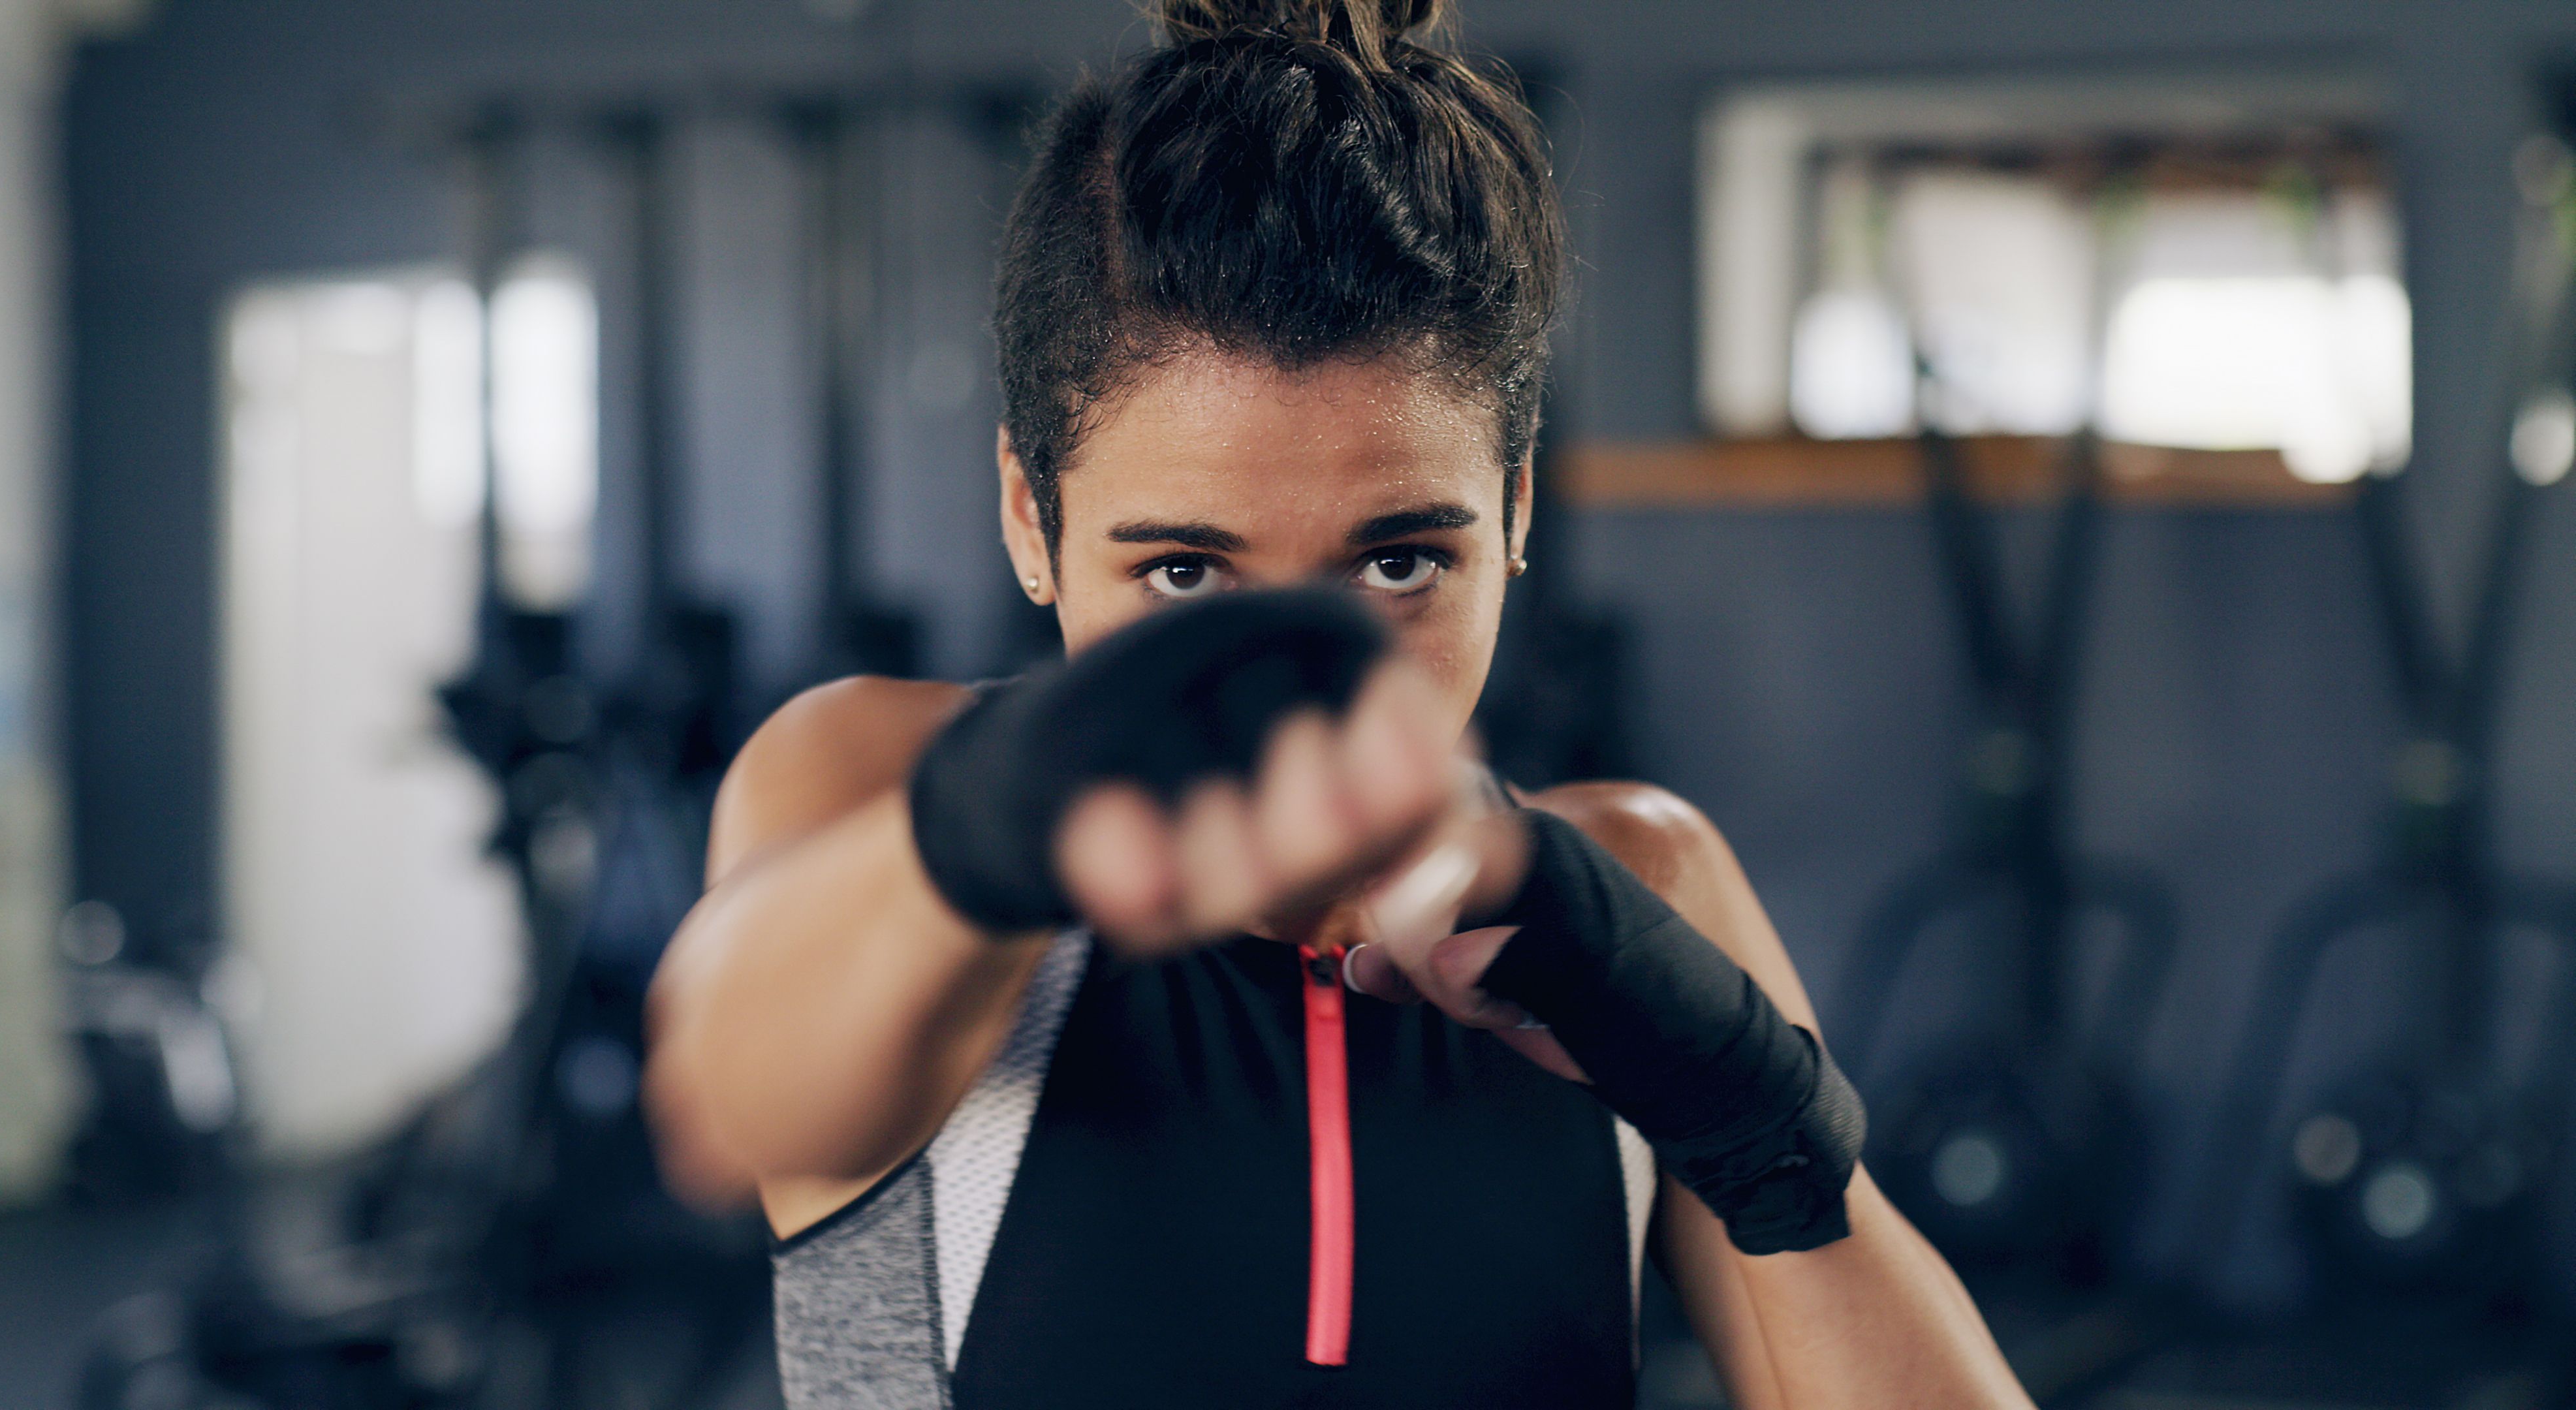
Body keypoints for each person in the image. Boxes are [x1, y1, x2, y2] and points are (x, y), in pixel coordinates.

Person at [646, 1, 2032, 1404]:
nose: (1299, 697)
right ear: (1027, 514)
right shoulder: (872, 782)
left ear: (1515, 511)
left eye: (1399, 561)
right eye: (1183, 574)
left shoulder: (1639, 880)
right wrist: (996, 813)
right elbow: (733, 1094)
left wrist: (1750, 1115)